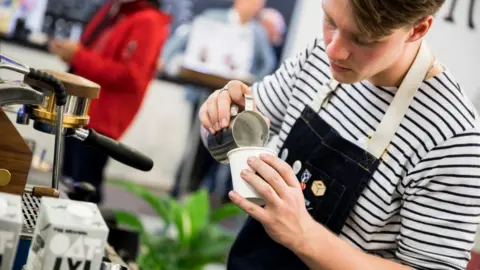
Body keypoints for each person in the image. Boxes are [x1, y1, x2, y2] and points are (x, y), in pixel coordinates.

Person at [199, 0, 480, 269]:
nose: (335, 50)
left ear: (418, 29)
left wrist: (304, 236)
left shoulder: (452, 138)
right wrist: (221, 117)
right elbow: (225, 148)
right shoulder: (318, 59)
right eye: (330, 20)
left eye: (363, 39)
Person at [49, 0, 171, 203]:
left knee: (83, 189)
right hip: (81, 111)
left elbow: (130, 76)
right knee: (68, 183)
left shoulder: (148, 20)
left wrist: (78, 56)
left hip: (101, 118)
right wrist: (74, 55)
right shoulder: (116, 9)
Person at [161, 0, 276, 198]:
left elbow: (268, 63)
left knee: (219, 148)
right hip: (202, 94)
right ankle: (180, 190)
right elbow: (182, 40)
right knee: (196, 142)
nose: (257, 7)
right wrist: (167, 60)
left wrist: (250, 86)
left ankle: (200, 194)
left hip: (233, 101)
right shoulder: (211, 18)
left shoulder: (256, 32)